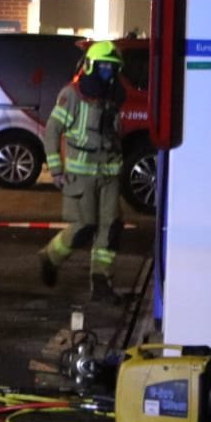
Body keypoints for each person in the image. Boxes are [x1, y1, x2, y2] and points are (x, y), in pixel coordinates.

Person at [37, 41, 126, 303]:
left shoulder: (113, 96)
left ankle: (101, 284)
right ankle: (50, 256)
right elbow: (52, 131)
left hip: (109, 174)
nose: (108, 71)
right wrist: (56, 169)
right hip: (81, 174)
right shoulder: (72, 95)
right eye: (104, 66)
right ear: (90, 66)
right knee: (85, 227)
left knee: (111, 228)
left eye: (113, 67)